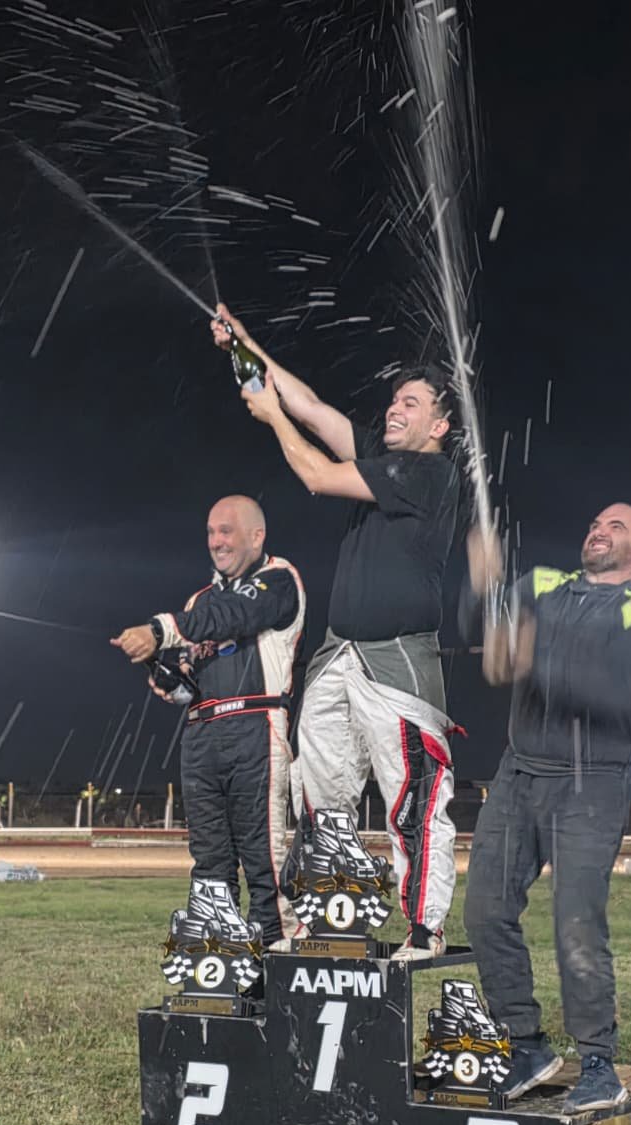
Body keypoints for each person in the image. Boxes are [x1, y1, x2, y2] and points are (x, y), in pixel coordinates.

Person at [211, 305, 460, 960]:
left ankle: (424, 931)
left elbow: (317, 474)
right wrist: (244, 346)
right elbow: (312, 406)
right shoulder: (384, 458)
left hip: (397, 661)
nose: (394, 409)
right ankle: (330, 919)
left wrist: (272, 418)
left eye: (410, 403)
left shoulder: (428, 473)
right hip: (338, 654)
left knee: (411, 798)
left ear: (438, 426)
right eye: (393, 400)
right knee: (319, 790)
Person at [462, 503, 631, 1113]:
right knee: (484, 912)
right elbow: (485, 632)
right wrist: (480, 585)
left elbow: (615, 692)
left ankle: (599, 1065)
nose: (598, 531)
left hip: (592, 782)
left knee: (576, 925)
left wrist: (533, 656)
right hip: (518, 772)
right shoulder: (543, 583)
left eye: (616, 528)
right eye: (596, 523)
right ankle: (524, 1045)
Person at [111, 495, 305, 952]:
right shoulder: (199, 601)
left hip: (256, 725)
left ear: (256, 536)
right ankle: (217, 965)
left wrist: (159, 630)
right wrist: (158, 666)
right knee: (210, 860)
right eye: (211, 532)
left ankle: (278, 962)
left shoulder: (279, 578)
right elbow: (183, 688)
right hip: (201, 733)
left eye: (227, 531)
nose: (216, 541)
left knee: (264, 856)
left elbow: (233, 615)